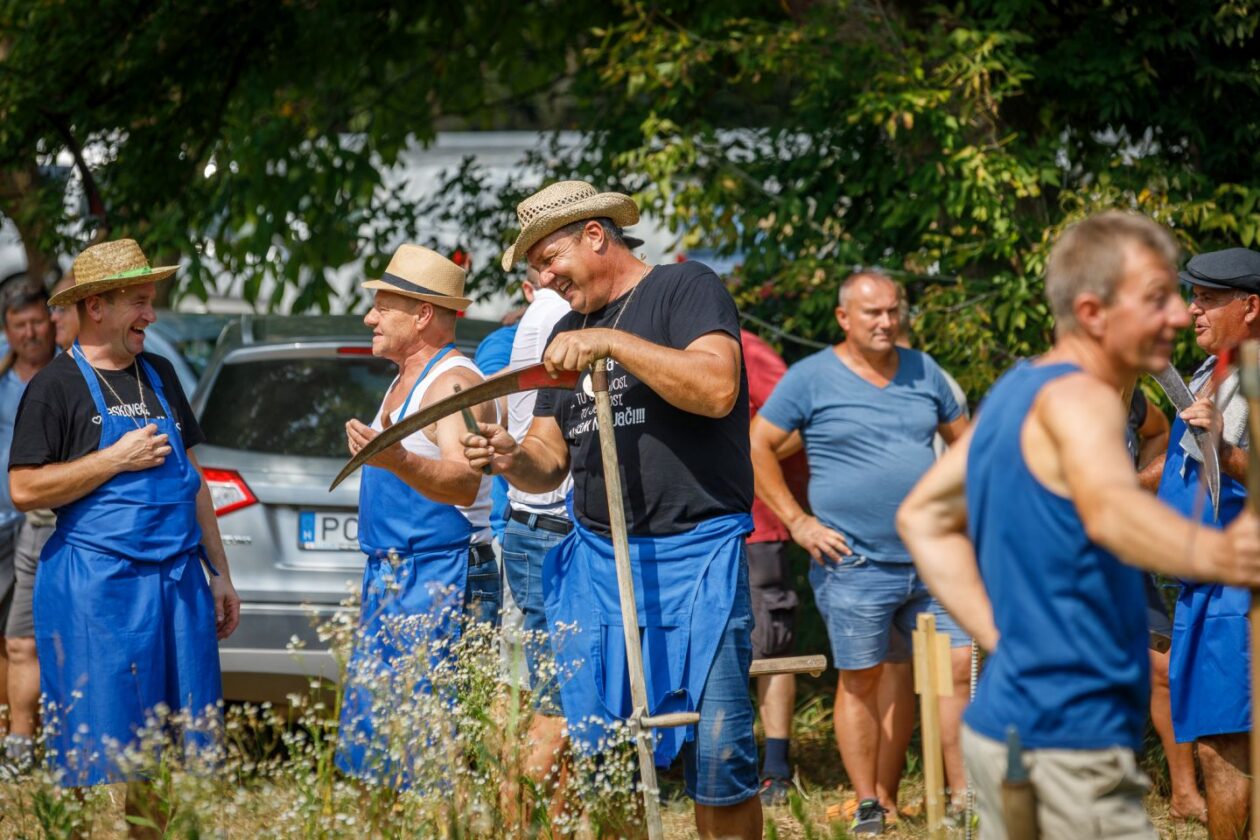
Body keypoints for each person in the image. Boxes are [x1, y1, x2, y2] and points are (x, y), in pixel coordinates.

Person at [897, 212, 1260, 839]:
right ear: (1093, 312)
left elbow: (921, 515)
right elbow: (1110, 511)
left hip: (1007, 726)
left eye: (1189, 300)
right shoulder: (1084, 396)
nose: (1178, 316)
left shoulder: (1024, 384)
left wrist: (999, 633)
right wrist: (1227, 557)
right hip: (1070, 743)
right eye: (1157, 301)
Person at [464, 180, 762, 838]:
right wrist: (511, 456)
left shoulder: (685, 290)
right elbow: (549, 455)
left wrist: (612, 344)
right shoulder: (566, 331)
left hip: (697, 556)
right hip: (602, 565)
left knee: (721, 751)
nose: (545, 280)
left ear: (595, 235)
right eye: (537, 270)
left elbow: (716, 388)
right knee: (607, 759)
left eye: (549, 260)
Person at [8, 239, 240, 835]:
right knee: (85, 751)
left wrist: (220, 572)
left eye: (150, 301)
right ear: (97, 308)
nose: (151, 316)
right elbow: (25, 489)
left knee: (160, 752)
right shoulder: (54, 386)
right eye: (138, 303)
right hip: (94, 590)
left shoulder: (159, 374)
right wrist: (113, 459)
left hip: (176, 584)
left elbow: (194, 484)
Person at [749, 270, 970, 834]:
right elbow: (758, 445)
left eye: (893, 311)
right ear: (844, 318)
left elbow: (967, 444)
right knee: (863, 677)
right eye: (873, 313)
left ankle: (967, 795)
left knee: (959, 668)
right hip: (853, 563)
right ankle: (869, 800)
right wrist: (798, 522)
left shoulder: (924, 371)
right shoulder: (811, 378)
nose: (886, 322)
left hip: (932, 557)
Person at [336, 243, 500, 787]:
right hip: (393, 577)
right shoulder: (403, 379)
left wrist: (398, 459)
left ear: (423, 313)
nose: (370, 318)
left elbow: (465, 477)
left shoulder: (455, 384)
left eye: (383, 306)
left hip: (445, 576)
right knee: (379, 750)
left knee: (436, 755)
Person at [1137, 246, 1260, 838]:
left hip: (1240, 582)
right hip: (1197, 583)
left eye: (1208, 299)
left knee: (1226, 738)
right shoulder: (1209, 374)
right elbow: (1180, 465)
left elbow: (1236, 464)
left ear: (1251, 306)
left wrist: (1230, 451)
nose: (1194, 311)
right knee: (1211, 734)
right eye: (1194, 297)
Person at [497, 268, 576, 805]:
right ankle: (519, 818)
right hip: (551, 522)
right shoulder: (557, 317)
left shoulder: (531, 319)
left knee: (523, 691)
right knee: (556, 700)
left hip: (528, 518)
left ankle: (518, 813)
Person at [739, 328, 808, 806]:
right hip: (687, 527)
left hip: (758, 523)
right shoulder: (661, 345)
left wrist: (739, 461)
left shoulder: (746, 347)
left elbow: (798, 423)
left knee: (772, 643)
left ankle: (777, 768)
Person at [0, 281, 56, 775]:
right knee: (12, 638)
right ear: (7, 330)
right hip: (6, 524)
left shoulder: (66, 374)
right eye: (20, 325)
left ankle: (41, 735)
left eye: (37, 321)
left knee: (34, 639)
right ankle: (14, 738)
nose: (31, 332)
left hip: (46, 524)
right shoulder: (2, 377)